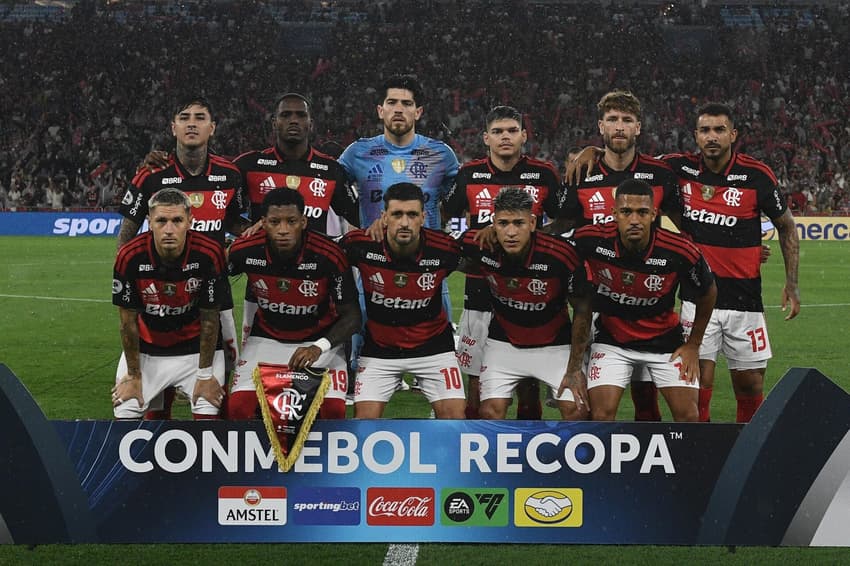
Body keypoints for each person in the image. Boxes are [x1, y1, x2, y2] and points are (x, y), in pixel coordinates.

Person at [665, 102, 800, 422]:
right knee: (698, 384)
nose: (712, 137)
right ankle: (702, 457)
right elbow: (631, 162)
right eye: (705, 130)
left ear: (733, 134)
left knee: (750, 384)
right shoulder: (678, 168)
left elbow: (787, 226)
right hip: (697, 300)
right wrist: (591, 151)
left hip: (745, 302)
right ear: (695, 135)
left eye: (719, 130)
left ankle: (745, 457)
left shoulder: (756, 175)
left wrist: (792, 284)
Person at [117, 94, 248, 417]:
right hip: (161, 290)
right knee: (157, 360)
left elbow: (232, 220)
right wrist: (132, 273)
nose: (192, 123)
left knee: (227, 368)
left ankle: (220, 432)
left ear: (212, 127)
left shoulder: (229, 175)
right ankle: (156, 427)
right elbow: (127, 232)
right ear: (173, 127)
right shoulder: (151, 173)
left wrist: (250, 235)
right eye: (185, 116)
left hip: (215, 289)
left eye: (200, 117)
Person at [561, 91, 683, 422]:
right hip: (593, 305)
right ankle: (590, 463)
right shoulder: (581, 173)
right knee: (585, 405)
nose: (619, 127)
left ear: (638, 128)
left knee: (646, 400)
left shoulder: (660, 175)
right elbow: (562, 226)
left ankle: (648, 468)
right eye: (612, 120)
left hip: (646, 304)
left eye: (626, 121)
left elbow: (687, 231)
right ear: (601, 126)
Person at [338, 75, 459, 391]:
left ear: (418, 112)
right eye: (392, 102)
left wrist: (436, 222)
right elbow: (332, 189)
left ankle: (431, 381)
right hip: (374, 262)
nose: (399, 110)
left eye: (406, 103)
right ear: (380, 110)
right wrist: (360, 223)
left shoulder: (441, 155)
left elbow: (459, 196)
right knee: (364, 330)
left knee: (436, 330)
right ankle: (360, 387)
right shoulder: (357, 153)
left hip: (427, 265)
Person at [443, 105, 563, 420]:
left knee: (527, 387)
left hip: (529, 296)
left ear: (524, 135)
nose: (505, 137)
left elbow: (566, 219)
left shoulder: (544, 173)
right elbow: (442, 216)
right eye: (497, 132)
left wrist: (535, 242)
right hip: (481, 292)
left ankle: (527, 456)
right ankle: (476, 455)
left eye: (511, 130)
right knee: (477, 387)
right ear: (486, 138)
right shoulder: (469, 174)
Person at [570, 179, 717, 422]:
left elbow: (708, 292)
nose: (635, 220)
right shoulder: (590, 240)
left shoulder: (679, 250)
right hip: (612, 342)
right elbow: (550, 249)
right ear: (614, 214)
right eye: (627, 212)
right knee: (601, 415)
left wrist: (693, 344)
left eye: (642, 212)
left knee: (690, 416)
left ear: (653, 214)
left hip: (665, 343)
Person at [231, 93, 360, 355]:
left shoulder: (330, 170)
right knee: (255, 361)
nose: (293, 120)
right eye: (285, 115)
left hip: (317, 286)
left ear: (311, 123)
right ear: (274, 122)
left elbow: (358, 218)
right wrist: (245, 231)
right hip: (262, 286)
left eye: (300, 115)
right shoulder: (249, 165)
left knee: (318, 363)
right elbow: (223, 209)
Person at [226, 188, 361, 420]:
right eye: (275, 222)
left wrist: (319, 346)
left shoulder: (329, 255)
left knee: (333, 412)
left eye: (291, 222)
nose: (283, 230)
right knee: (238, 408)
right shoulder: (245, 250)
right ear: (263, 223)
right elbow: (213, 271)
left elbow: (352, 316)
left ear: (304, 221)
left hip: (319, 339)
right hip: (267, 338)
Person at [460, 187, 593, 421]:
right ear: (493, 223)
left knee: (578, 412)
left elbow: (582, 310)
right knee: (489, 412)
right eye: (503, 224)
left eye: (518, 223)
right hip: (503, 343)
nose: (511, 232)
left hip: (556, 346)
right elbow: (435, 250)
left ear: (532, 223)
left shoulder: (560, 255)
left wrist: (574, 368)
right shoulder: (478, 244)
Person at [342, 182, 466, 419]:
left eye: (411, 215)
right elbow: (319, 254)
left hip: (434, 349)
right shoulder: (360, 244)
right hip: (380, 350)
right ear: (384, 217)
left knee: (455, 421)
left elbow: (482, 260)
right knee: (363, 423)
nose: (405, 222)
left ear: (423, 217)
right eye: (397, 214)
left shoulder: (444, 249)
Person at [111, 188, 227, 420]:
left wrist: (204, 375)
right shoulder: (129, 256)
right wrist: (133, 376)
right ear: (149, 222)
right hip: (148, 350)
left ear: (190, 222)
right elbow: (127, 323)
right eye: (161, 221)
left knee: (208, 411)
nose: (169, 230)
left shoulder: (209, 253)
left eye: (177, 221)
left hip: (196, 351)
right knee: (126, 410)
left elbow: (210, 319)